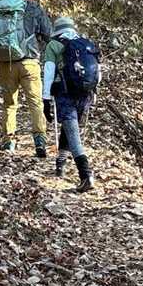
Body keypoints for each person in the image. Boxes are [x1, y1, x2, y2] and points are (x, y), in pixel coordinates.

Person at [0, 0, 53, 157]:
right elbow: (48, 34)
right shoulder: (34, 9)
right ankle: (39, 141)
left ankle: (9, 142)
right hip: (29, 63)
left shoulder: (2, 9)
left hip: (6, 62)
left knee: (9, 104)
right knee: (35, 102)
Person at [41, 14, 100, 193]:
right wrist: (94, 91)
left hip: (64, 92)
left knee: (73, 132)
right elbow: (97, 71)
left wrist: (45, 99)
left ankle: (85, 175)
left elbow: (49, 72)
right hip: (85, 93)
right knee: (70, 128)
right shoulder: (85, 43)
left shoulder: (53, 45)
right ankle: (61, 163)